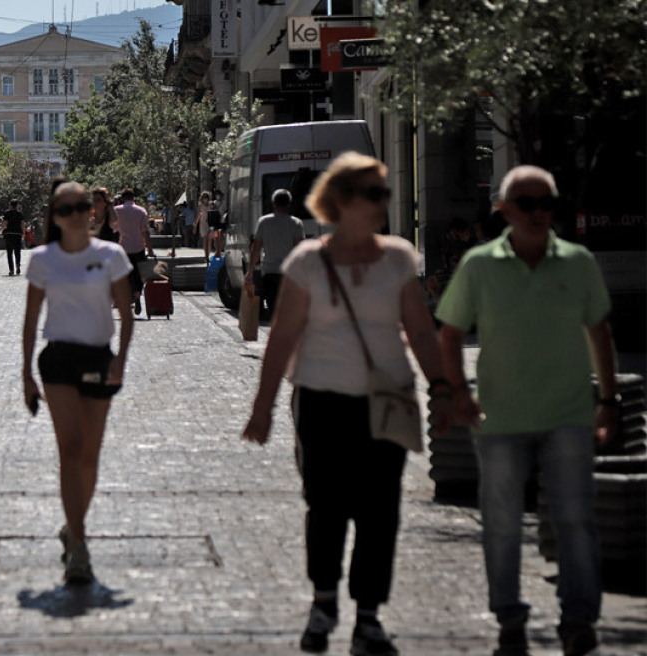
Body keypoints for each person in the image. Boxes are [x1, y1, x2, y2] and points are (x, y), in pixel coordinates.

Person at [241, 152, 452, 656]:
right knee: (327, 503)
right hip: (321, 400)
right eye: (371, 194)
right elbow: (283, 337)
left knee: (381, 510)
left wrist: (443, 388)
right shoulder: (307, 263)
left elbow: (421, 331)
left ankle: (369, 617)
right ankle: (324, 599)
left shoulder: (399, 257)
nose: (382, 203)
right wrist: (264, 406)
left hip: (386, 401)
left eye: (384, 193)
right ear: (339, 202)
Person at [436, 165, 618, 656]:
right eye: (527, 205)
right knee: (501, 522)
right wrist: (458, 392)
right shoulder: (479, 265)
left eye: (546, 205)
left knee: (575, 518)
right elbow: (450, 332)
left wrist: (608, 400)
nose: (538, 214)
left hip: (570, 414)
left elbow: (599, 332)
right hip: (501, 417)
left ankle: (579, 619)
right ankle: (509, 618)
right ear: (505, 211)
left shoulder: (578, 262)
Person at [22, 178, 135, 585]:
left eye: (80, 206)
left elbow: (126, 313)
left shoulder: (112, 255)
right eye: (64, 209)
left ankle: (73, 526)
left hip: (98, 358)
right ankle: (80, 545)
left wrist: (121, 359)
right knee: (69, 449)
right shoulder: (42, 259)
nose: (74, 215)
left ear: (93, 210)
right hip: (58, 361)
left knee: (90, 454)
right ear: (54, 216)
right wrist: (26, 375)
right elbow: (31, 320)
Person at [247, 189, 305, 317]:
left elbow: (256, 248)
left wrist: (250, 271)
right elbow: (299, 250)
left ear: (273, 203)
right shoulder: (296, 223)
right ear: (289, 203)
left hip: (269, 273)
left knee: (274, 310)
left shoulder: (264, 222)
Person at [114, 188, 154, 315]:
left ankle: (128, 296)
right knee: (139, 275)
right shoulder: (141, 211)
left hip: (123, 248)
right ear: (134, 198)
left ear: (122, 198)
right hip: (139, 248)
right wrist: (150, 248)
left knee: (126, 274)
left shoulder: (117, 211)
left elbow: (113, 229)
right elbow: (145, 231)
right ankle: (137, 294)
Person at [2, 199, 26, 275]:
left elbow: (4, 224)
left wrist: (3, 229)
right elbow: (22, 224)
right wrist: (23, 233)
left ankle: (11, 270)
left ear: (10, 204)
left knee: (9, 252)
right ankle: (18, 265)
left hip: (9, 233)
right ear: (17, 205)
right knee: (17, 251)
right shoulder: (20, 214)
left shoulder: (7, 213)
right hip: (17, 234)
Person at [194, 190, 213, 262]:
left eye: (207, 197)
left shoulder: (212, 205)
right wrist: (195, 225)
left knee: (210, 241)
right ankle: (206, 257)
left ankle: (208, 254)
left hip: (210, 224)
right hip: (203, 224)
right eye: (204, 197)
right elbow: (198, 215)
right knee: (205, 240)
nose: (205, 199)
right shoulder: (200, 206)